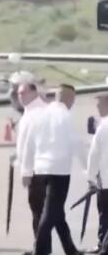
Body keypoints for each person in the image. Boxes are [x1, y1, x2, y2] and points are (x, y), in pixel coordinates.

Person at [17, 82, 84, 255]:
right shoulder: (66, 116)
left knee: (56, 211)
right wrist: (88, 169)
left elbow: (28, 144)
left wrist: (26, 170)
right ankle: (40, 250)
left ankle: (70, 249)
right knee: (50, 213)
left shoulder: (38, 115)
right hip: (59, 171)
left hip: (40, 170)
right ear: (69, 98)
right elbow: (76, 144)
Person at [86, 93, 108, 254]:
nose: (97, 108)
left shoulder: (103, 127)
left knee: (104, 214)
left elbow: (93, 154)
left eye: (99, 105)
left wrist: (90, 177)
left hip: (104, 180)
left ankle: (103, 246)